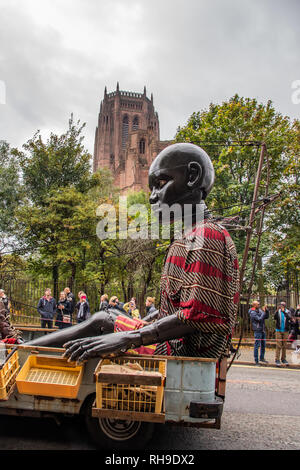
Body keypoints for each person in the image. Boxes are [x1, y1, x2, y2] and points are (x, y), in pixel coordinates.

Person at [27, 143, 239, 363]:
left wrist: (129, 337)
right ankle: (18, 349)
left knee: (104, 320)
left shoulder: (207, 235)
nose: (152, 197)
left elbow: (197, 316)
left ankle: (15, 352)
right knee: (109, 317)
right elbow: (174, 309)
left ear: (193, 176)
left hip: (181, 356)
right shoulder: (187, 237)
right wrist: (143, 323)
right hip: (174, 347)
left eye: (161, 183)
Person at [248, 300, 269, 365]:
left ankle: (262, 357)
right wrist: (263, 313)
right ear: (254, 305)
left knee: (263, 345)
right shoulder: (252, 312)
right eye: (258, 304)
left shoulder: (259, 310)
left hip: (262, 330)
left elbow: (266, 317)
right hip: (257, 330)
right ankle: (256, 360)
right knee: (257, 345)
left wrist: (266, 311)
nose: (259, 305)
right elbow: (259, 319)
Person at [274, 301, 291, 366]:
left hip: (285, 330)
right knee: (278, 345)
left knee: (284, 345)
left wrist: (284, 311)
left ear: (285, 306)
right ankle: (277, 359)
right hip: (278, 330)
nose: (282, 306)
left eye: (283, 305)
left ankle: (283, 358)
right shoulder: (278, 311)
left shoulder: (288, 311)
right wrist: (276, 311)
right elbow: (275, 318)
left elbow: (289, 317)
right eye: (281, 305)